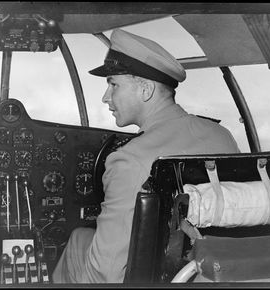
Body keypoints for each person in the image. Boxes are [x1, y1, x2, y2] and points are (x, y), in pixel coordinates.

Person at [52, 28, 240, 283]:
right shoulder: (222, 135)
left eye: (113, 84)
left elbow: (105, 274)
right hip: (204, 268)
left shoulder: (129, 159)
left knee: (77, 241)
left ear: (145, 90)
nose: (105, 97)